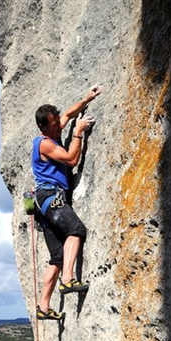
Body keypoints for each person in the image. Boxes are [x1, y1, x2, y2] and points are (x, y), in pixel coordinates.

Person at [32, 84, 102, 320]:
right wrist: (78, 132)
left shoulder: (53, 131)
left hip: (44, 205)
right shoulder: (45, 143)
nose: (58, 127)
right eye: (53, 125)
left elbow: (67, 115)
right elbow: (72, 159)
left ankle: (43, 306)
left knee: (57, 258)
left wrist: (86, 98)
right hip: (52, 197)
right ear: (43, 127)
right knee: (75, 229)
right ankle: (69, 279)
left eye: (56, 123)